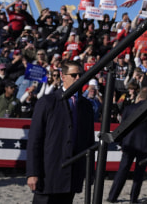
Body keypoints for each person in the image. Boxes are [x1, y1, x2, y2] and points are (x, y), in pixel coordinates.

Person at [26, 61, 95, 203]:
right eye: (74, 75)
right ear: (63, 76)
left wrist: (89, 172)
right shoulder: (47, 102)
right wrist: (33, 172)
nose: (78, 78)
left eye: (81, 75)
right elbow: (35, 140)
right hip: (49, 172)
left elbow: (89, 141)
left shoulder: (86, 106)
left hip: (73, 173)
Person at [107, 87, 147, 203]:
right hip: (144, 145)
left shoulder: (129, 108)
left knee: (122, 170)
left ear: (139, 96)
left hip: (128, 143)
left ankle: (112, 196)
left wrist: (121, 142)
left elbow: (122, 128)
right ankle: (133, 198)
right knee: (139, 173)